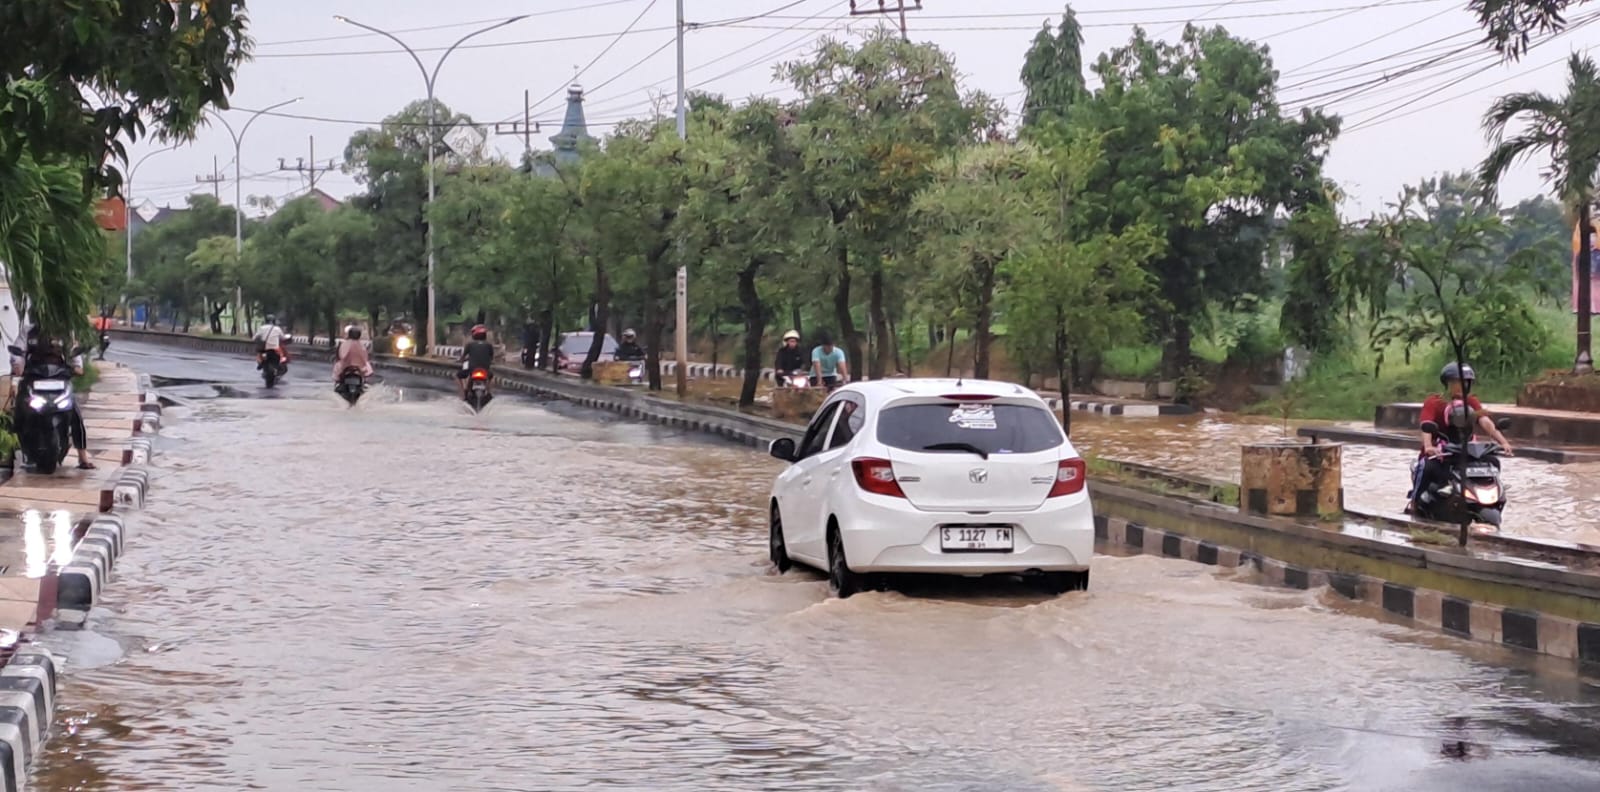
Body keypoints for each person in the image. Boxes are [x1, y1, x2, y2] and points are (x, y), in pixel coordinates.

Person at [1411, 362, 1514, 509]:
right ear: (1447, 383)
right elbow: (1426, 425)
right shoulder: (1434, 402)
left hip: (1467, 451)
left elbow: (1485, 421)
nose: (1462, 386)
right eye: (1457, 382)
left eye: (1466, 382)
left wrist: (1503, 443)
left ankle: (1493, 497)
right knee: (1426, 467)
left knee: (1493, 462)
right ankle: (1414, 503)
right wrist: (1428, 446)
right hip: (1440, 452)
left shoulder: (1472, 401)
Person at [457, 324, 495, 397]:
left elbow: (463, 357)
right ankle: (489, 392)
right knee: (491, 377)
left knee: (458, 376)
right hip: (485, 370)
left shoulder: (470, 345)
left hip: (472, 370)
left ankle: (462, 394)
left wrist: (460, 361)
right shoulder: (489, 345)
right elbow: (491, 358)